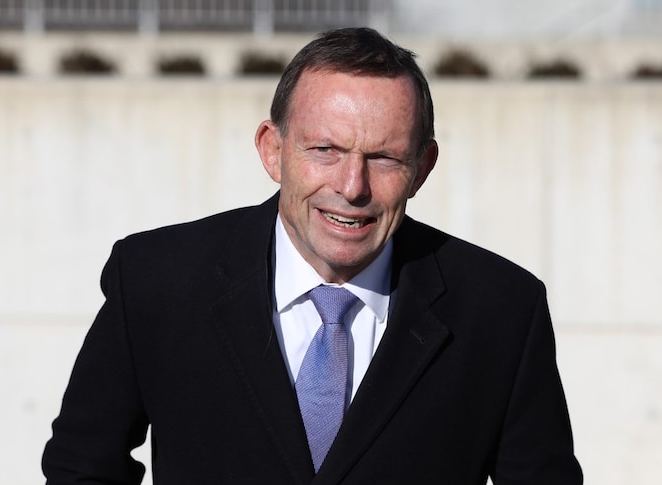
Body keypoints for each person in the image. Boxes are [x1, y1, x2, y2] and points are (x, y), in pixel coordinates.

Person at [43, 27, 582, 484]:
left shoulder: (501, 311)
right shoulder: (155, 281)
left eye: (386, 157)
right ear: (272, 149)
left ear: (423, 166)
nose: (352, 186)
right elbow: (82, 468)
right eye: (325, 150)